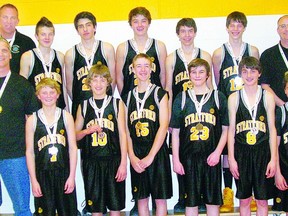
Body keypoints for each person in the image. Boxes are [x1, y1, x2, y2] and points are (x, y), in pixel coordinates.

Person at [212, 11, 259, 212]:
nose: (236, 29)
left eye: (239, 25)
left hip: (248, 106)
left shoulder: (253, 50)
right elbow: (217, 80)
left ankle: (252, 193)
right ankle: (228, 193)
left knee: (250, 147)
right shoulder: (219, 53)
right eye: (232, 25)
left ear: (244, 28)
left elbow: (255, 77)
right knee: (226, 151)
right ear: (227, 27)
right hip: (229, 105)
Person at [170, 58, 228, 216]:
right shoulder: (181, 98)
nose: (197, 75)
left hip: (211, 157)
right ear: (189, 74)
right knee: (191, 202)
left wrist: (218, 152)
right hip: (188, 158)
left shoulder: (218, 97)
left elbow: (226, 130)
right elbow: (175, 133)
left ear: (208, 75)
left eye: (201, 72)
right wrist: (175, 159)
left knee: (212, 201)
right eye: (194, 72)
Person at [165, 18, 212, 213]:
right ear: (178, 34)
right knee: (182, 157)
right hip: (181, 112)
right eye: (182, 31)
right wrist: (168, 117)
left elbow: (211, 86)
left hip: (201, 114)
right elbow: (168, 88)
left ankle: (202, 197)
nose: (186, 34)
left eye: (189, 31)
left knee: (203, 155)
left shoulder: (205, 55)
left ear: (195, 32)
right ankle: (183, 196)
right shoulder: (171, 58)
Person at [75, 63, 127, 216]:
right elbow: (74, 135)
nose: (98, 84)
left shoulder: (117, 104)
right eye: (95, 80)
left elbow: (123, 134)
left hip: (113, 160)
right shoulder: (83, 106)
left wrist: (123, 163)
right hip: (91, 161)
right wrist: (87, 130)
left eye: (102, 80)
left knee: (115, 208)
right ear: (89, 83)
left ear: (108, 83)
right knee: (96, 209)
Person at [124, 53, 172, 216]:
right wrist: (131, 156)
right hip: (137, 152)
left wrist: (151, 156)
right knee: (141, 199)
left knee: (160, 200)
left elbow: (163, 126)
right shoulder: (127, 97)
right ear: (133, 70)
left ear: (152, 69)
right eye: (139, 66)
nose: (143, 70)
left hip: (157, 152)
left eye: (146, 66)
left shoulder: (160, 94)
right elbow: (126, 131)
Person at [228, 56, 277, 216]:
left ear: (259, 73)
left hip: (263, 154)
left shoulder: (267, 96)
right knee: (244, 200)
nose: (249, 75)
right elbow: (231, 131)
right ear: (240, 74)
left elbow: (272, 129)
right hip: (241, 154)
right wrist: (231, 159)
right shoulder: (234, 98)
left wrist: (273, 159)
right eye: (245, 71)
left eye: (253, 71)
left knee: (262, 201)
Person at [25, 78, 78, 216]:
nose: (48, 96)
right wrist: (34, 180)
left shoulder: (66, 116)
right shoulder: (32, 120)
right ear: (38, 95)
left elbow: (72, 148)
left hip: (63, 172)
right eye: (44, 92)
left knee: (68, 212)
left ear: (58, 94)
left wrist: (72, 176)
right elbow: (30, 152)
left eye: (52, 92)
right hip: (43, 174)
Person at [0, 36, 38, 215]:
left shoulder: (22, 85)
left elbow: (33, 120)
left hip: (14, 155)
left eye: (4, 50)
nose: (0, 54)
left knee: (22, 208)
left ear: (10, 55)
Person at [65, 11, 115, 118]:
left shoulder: (107, 48)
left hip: (104, 104)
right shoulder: (70, 54)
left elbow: (112, 80)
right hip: (81, 105)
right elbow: (69, 86)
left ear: (95, 27)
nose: (85, 29)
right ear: (77, 30)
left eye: (88, 25)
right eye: (81, 26)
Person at [116, 6, 167, 98]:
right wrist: (125, 98)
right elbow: (119, 78)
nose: (140, 25)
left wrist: (159, 97)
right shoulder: (122, 48)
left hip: (154, 98)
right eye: (135, 21)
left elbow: (163, 76)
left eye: (143, 21)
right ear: (130, 24)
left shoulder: (159, 46)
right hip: (131, 99)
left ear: (149, 23)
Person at [20, 17, 68, 110]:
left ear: (54, 35)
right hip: (36, 110)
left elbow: (63, 87)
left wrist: (67, 110)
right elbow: (22, 89)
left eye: (50, 34)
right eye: (43, 34)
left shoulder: (60, 56)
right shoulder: (28, 57)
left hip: (57, 109)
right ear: (37, 36)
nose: (47, 37)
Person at [260, 15, 288, 106]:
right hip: (278, 110)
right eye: (283, 26)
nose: (286, 29)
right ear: (278, 30)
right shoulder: (268, 55)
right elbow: (264, 86)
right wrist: (284, 106)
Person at [0, 3, 36, 74]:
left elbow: (33, 72)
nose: (9, 21)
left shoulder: (27, 43)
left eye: (12, 18)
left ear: (17, 21)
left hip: (20, 84)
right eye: (5, 17)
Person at [272, 72, 288, 215]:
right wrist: (277, 173)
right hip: (285, 172)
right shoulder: (281, 112)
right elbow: (275, 148)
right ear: (285, 90)